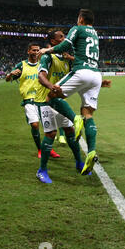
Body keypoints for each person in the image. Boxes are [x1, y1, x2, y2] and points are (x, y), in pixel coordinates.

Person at [37, 9, 103, 175]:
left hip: (82, 72)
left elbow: (66, 45)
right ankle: (92, 151)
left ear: (80, 19)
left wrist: (47, 50)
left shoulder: (78, 28)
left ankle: (75, 119)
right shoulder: (95, 33)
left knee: (51, 96)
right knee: (88, 114)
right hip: (96, 74)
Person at [35, 30, 87, 183]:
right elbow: (41, 76)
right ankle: (42, 170)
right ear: (53, 41)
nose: (65, 39)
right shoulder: (47, 56)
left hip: (57, 101)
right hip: (45, 100)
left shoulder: (66, 59)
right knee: (51, 134)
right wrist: (51, 87)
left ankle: (79, 163)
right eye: (61, 37)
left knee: (70, 130)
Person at [6, 43, 60, 159]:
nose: (36, 52)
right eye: (34, 50)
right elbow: (8, 79)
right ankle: (40, 149)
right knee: (35, 125)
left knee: (49, 128)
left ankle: (49, 149)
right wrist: (10, 74)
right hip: (29, 100)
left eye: (37, 50)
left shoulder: (43, 65)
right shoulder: (22, 65)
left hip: (43, 99)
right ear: (28, 51)